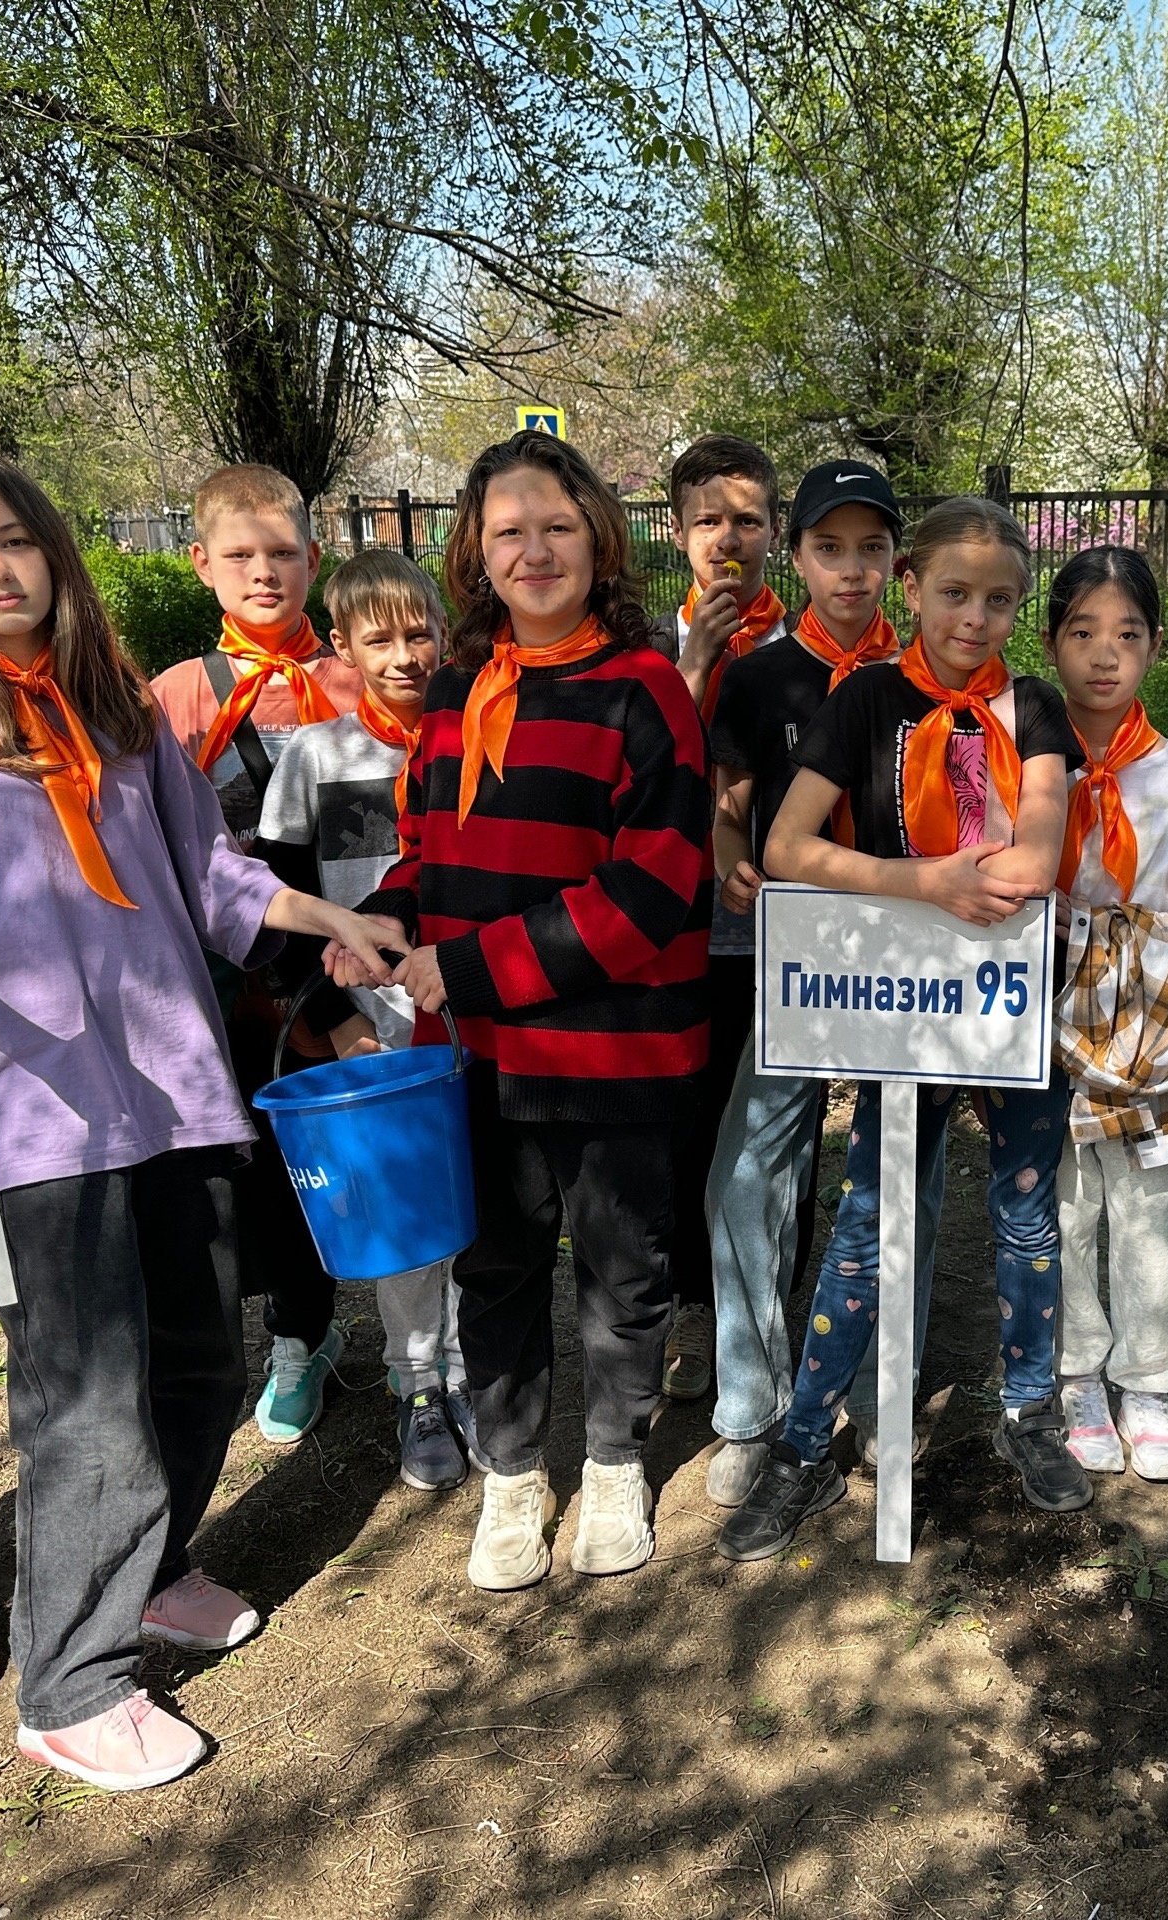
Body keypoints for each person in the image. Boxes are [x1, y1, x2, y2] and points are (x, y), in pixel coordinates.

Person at [0, 451, 401, 1791]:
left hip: (170, 1089)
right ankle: (72, 1685)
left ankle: (151, 1571)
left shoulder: (120, 712)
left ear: (52, 549)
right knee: (88, 1404)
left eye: (13, 540)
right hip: (36, 1119)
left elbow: (210, 875)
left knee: (201, 1364)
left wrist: (326, 916)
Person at [341, 430, 712, 1592]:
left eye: (557, 527)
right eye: (510, 531)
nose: (534, 550)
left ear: (598, 541)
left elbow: (653, 891)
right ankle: (511, 1476)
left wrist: (474, 966)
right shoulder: (456, 692)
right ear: (476, 551)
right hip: (481, 1059)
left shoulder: (645, 690)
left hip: (615, 1055)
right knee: (494, 1270)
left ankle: (612, 1462)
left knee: (621, 1272)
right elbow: (429, 854)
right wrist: (382, 920)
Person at [715, 496, 1086, 1562]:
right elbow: (787, 845)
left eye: (1000, 601)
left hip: (1007, 999)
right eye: (955, 593)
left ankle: (1029, 1412)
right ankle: (802, 1446)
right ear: (912, 587)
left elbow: (1039, 850)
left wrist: (979, 879)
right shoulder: (867, 697)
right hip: (897, 1006)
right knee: (870, 1215)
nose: (974, 618)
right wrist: (922, 883)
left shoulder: (1033, 708)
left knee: (1025, 1215)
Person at [700, 459, 903, 1507]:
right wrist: (733, 858)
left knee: (895, 1172)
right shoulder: (759, 676)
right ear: (798, 556)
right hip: (796, 960)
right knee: (747, 1174)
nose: (852, 569)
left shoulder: (930, 676)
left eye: (872, 549)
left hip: (906, 966)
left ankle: (871, 1387)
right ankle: (751, 1406)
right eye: (831, 548)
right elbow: (732, 802)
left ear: (897, 561)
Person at [150, 465, 367, 1447]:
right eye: (240, 555)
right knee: (254, 1174)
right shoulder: (172, 699)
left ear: (315, 558)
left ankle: (408, 1341)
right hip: (227, 987)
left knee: (348, 1158)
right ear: (201, 563)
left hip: (348, 964)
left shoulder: (358, 678)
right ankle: (285, 1335)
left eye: (282, 552)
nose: (264, 572)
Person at [251, 548, 473, 1491]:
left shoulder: (478, 737)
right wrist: (338, 1022)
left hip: (470, 1009)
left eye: (419, 633)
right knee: (405, 1212)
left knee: (476, 1205)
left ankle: (473, 1368)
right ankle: (418, 1381)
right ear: (341, 647)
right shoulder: (314, 756)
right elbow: (274, 906)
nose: (403, 656)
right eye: (378, 640)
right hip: (375, 1032)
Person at [1043, 548, 1168, 1481]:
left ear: (1156, 646)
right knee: (1063, 1205)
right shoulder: (1020, 768)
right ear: (1052, 643)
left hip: (1155, 1033)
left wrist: (1106, 941)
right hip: (1045, 1027)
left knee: (1150, 1211)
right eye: (1083, 631)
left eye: (1127, 634)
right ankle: (1077, 1372)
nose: (1104, 654)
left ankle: (1151, 1381)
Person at [658, 434, 790, 1402]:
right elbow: (647, 773)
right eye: (709, 520)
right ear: (678, 534)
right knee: (687, 1129)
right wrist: (696, 662)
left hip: (777, 930)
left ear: (775, 533)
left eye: (747, 520)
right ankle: (697, 1308)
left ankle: (775, 1306)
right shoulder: (642, 650)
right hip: (672, 932)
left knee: (773, 1139)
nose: (728, 540)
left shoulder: (812, 648)